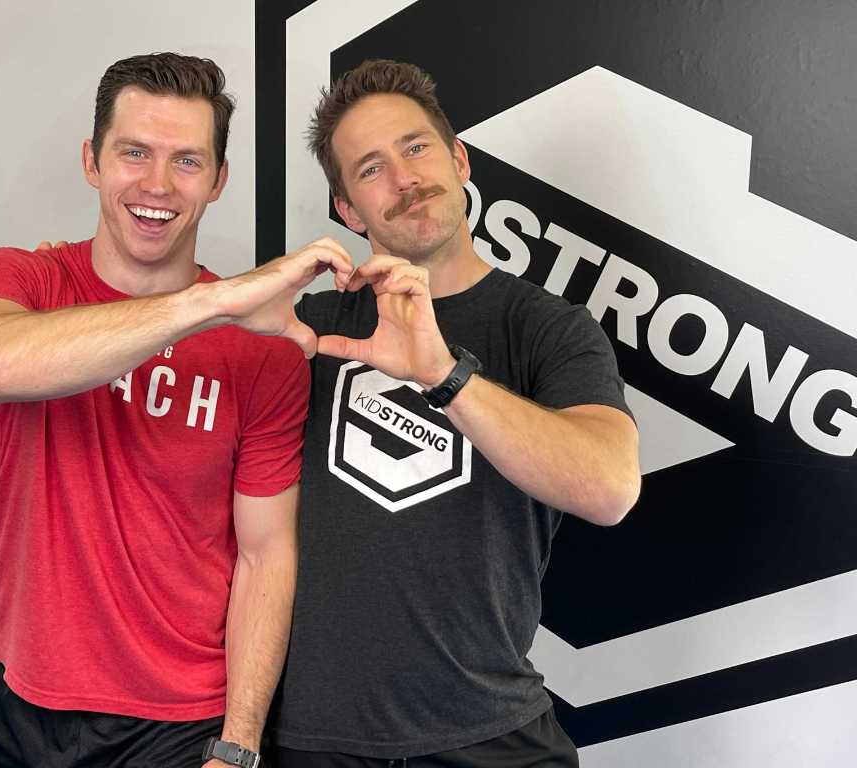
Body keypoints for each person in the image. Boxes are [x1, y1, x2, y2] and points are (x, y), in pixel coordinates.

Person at [0, 53, 355, 768]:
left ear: (218, 180)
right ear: (92, 161)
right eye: (134, 152)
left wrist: (239, 744)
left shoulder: (262, 350)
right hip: (14, 698)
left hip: (173, 726)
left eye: (187, 160)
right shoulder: (17, 280)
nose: (157, 185)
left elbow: (264, 555)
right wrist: (209, 303)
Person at [266, 59, 641, 767]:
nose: (404, 178)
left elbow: (609, 487)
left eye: (416, 147)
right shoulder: (307, 330)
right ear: (348, 211)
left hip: (489, 734)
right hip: (314, 741)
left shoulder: (547, 328)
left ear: (459, 159)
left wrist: (444, 375)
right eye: (371, 168)